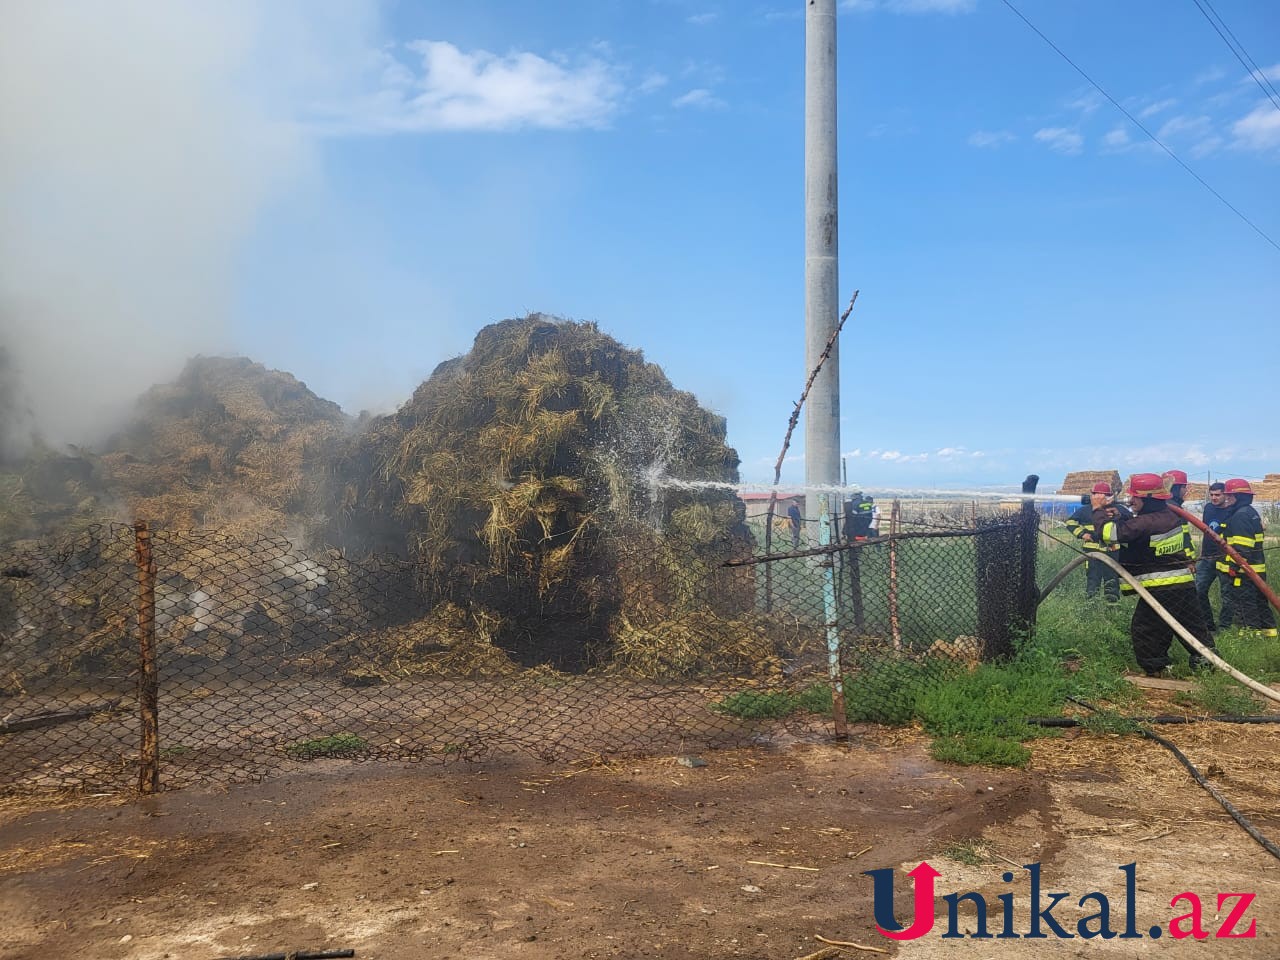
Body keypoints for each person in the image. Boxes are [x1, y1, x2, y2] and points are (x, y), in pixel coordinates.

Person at [1094, 473, 1215, 675]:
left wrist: (1098, 509)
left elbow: (1110, 534)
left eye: (1135, 497)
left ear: (1147, 498)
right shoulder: (1167, 515)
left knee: (1146, 629)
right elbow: (1140, 530)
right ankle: (1208, 665)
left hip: (1160, 585)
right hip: (1182, 582)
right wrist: (1122, 515)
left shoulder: (1146, 522)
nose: (1131, 500)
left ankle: (1156, 668)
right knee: (1192, 627)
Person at [1216, 478, 1278, 638]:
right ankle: (1269, 633)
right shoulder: (1250, 512)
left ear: (1239, 498)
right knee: (1259, 602)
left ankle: (1250, 636)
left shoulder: (1240, 516)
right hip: (1256, 569)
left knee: (1244, 605)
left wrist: (1234, 568)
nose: (1227, 499)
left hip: (1244, 572)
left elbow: (1242, 548)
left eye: (1230, 496)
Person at [1065, 482, 1124, 601]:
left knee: (1112, 580)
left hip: (1111, 552)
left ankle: (1111, 607)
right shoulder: (1085, 511)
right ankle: (1091, 605)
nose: (1098, 498)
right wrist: (1082, 534)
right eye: (1096, 495)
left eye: (1101, 495)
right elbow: (1070, 522)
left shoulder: (1117, 510)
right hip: (1092, 553)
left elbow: (1129, 521)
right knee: (1093, 580)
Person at [1195, 482, 1234, 632]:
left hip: (1224, 559)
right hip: (1207, 558)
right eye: (1211, 495)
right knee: (1198, 590)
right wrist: (1201, 554)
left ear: (1226, 495)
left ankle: (1224, 627)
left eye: (1217, 495)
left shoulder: (1232, 511)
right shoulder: (1209, 508)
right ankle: (1208, 626)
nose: (1214, 498)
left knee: (1227, 594)